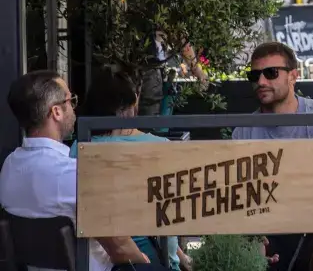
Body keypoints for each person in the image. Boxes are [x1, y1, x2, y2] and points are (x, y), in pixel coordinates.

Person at [0, 70, 159, 271]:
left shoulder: (9, 167)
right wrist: (144, 261)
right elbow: (120, 249)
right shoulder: (76, 174)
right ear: (56, 112)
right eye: (70, 100)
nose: (74, 108)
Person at [232, 42, 313, 271]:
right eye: (254, 75)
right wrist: (251, 235)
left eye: (271, 73)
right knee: (248, 250)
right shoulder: (243, 133)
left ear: (293, 76)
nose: (261, 82)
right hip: (266, 228)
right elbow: (237, 201)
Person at [69, 70, 190, 271]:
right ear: (132, 104)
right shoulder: (160, 147)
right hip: (145, 262)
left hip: (99, 259)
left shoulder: (79, 148)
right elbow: (171, 218)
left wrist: (180, 255)